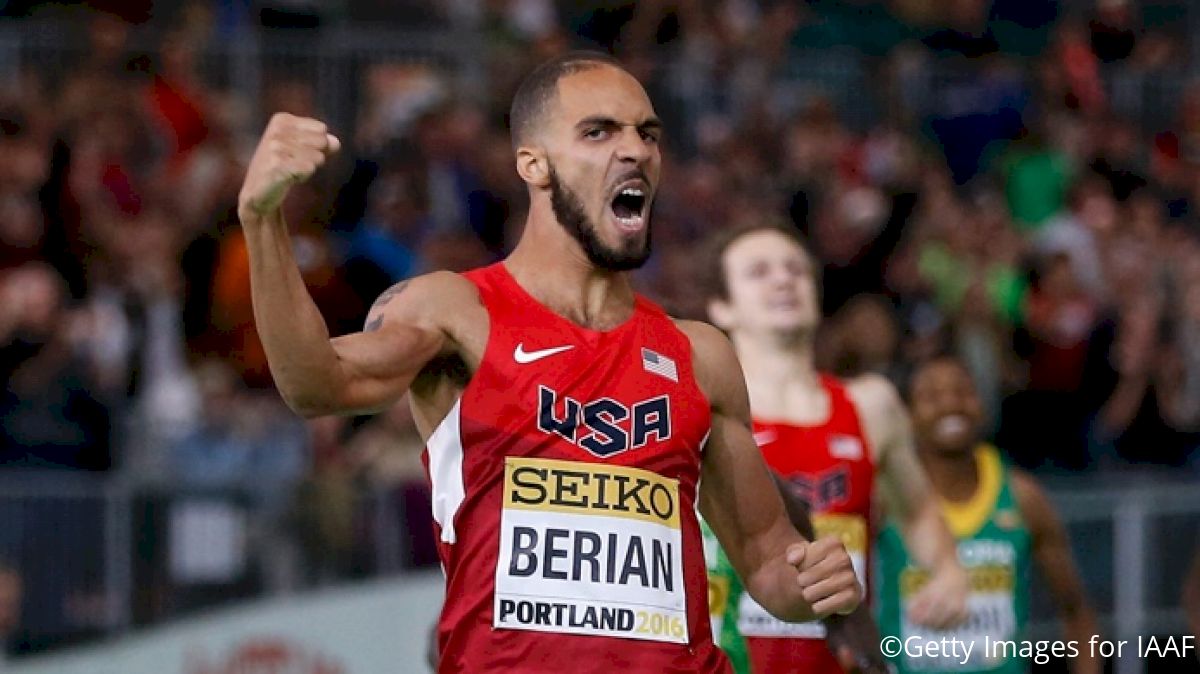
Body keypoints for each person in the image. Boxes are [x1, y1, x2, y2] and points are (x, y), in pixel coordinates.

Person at [236, 51, 861, 673]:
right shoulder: (456, 310)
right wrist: (263, 221)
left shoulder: (700, 355)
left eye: (648, 133)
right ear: (532, 163)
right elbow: (315, 383)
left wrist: (810, 584)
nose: (635, 150)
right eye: (598, 131)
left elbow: (763, 555)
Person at [699, 222, 969, 673]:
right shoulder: (696, 407)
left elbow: (918, 510)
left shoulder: (871, 405)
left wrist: (948, 571)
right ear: (721, 307)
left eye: (796, 270)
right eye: (759, 272)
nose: (784, 279)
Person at [878, 355, 1099, 674]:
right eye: (931, 396)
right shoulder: (886, 496)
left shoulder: (1023, 497)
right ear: (907, 414)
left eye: (962, 391)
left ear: (981, 403)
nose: (950, 404)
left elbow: (1076, 610)